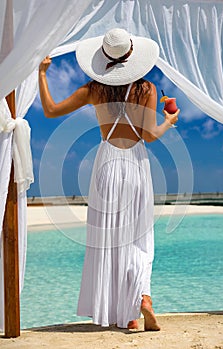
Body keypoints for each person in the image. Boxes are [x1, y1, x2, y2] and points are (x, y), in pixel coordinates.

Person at [39, 28, 179, 331]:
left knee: (110, 240)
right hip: (137, 166)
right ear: (133, 57)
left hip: (107, 164)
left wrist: (41, 73)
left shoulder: (93, 89)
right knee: (139, 238)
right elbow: (150, 136)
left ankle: (127, 313)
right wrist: (168, 121)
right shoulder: (147, 89)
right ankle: (141, 299)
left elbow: (50, 111)